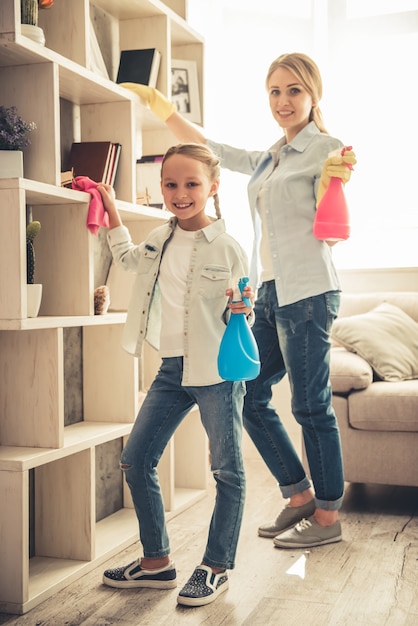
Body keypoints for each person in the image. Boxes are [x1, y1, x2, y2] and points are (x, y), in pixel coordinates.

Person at [119, 51, 357, 550]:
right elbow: (212, 150)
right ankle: (299, 496)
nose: (283, 101)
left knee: (312, 408)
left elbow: (332, 231)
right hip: (269, 291)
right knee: (248, 391)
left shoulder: (326, 148)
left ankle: (329, 516)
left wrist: (334, 182)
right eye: (274, 91)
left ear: (313, 95)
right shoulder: (271, 157)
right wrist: (163, 109)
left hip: (310, 291)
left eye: (293, 90)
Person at [98, 143, 254, 607]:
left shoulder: (228, 247)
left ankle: (216, 566)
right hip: (172, 369)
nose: (180, 193)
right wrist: (109, 209)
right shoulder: (156, 240)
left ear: (212, 187)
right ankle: (156, 563)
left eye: (191, 184)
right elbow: (127, 260)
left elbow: (245, 305)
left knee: (226, 470)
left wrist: (241, 308)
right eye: (171, 184)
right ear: (161, 187)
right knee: (135, 459)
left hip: (217, 372)